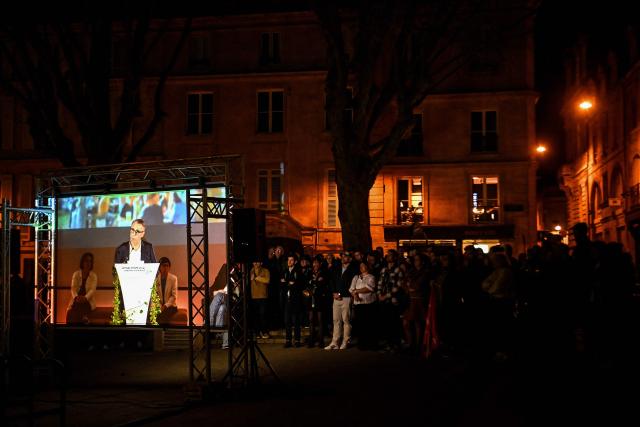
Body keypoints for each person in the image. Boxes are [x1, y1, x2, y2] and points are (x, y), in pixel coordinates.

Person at [66, 252, 97, 324]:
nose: (88, 263)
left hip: (88, 300)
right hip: (76, 299)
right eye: (86, 261)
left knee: (82, 305)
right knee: (75, 306)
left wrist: (85, 298)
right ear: (82, 262)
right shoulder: (76, 274)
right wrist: (76, 297)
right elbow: (73, 288)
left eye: (90, 261)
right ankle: (83, 319)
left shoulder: (94, 275)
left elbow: (92, 290)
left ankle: (82, 321)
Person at [250, 259, 271, 338]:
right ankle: (257, 332)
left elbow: (267, 280)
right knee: (255, 316)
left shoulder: (265, 271)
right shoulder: (250, 271)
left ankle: (264, 331)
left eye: (257, 262)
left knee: (263, 315)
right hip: (253, 296)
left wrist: (256, 278)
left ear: (261, 263)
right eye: (254, 261)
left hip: (263, 296)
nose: (255, 263)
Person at [156, 257, 178, 325]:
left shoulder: (173, 278)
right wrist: (160, 306)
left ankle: (163, 332)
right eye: (163, 265)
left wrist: (165, 306)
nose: (165, 268)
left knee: (162, 316)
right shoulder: (156, 279)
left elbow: (174, 296)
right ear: (159, 267)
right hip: (159, 305)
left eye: (167, 265)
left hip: (170, 306)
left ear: (169, 267)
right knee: (153, 313)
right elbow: (155, 295)